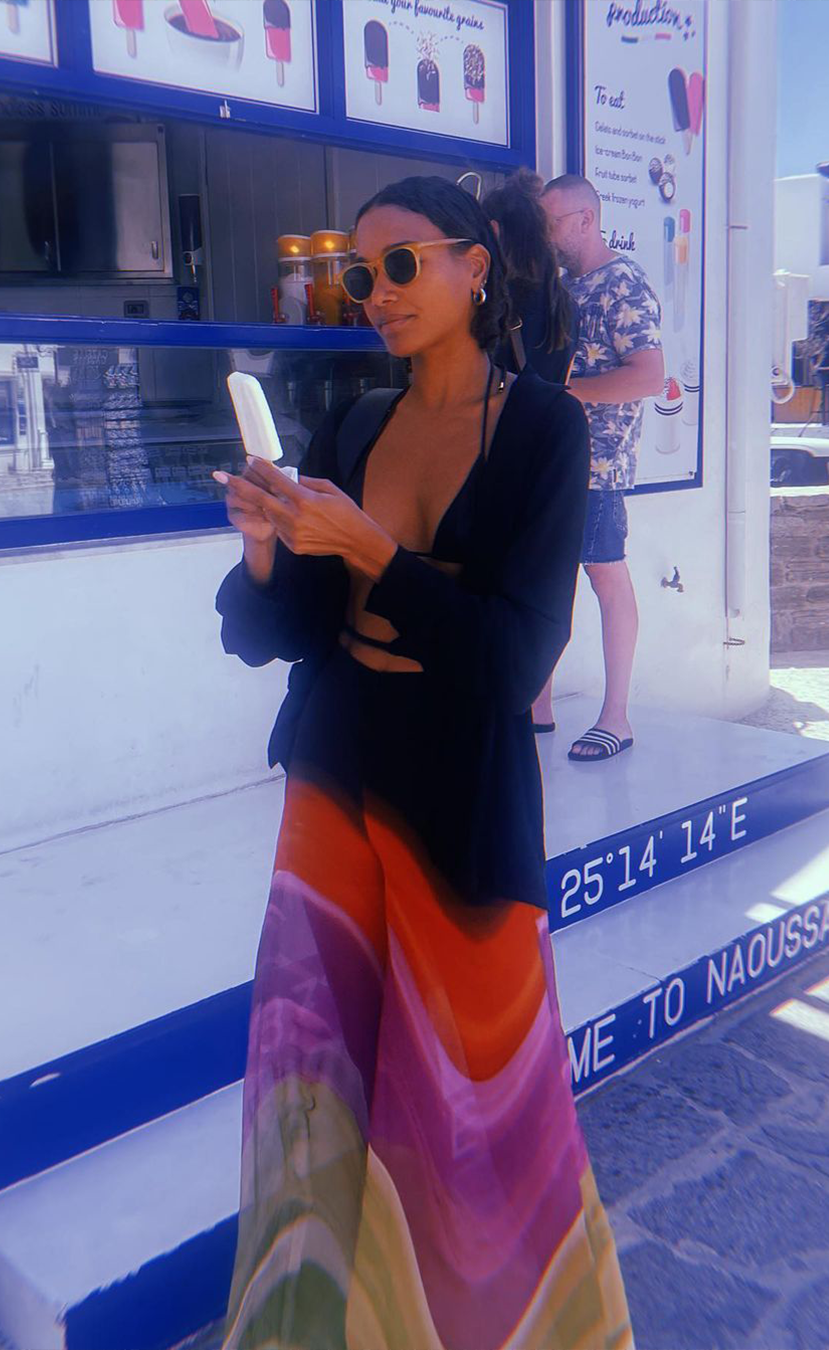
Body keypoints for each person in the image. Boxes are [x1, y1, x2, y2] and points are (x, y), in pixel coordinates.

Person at [212, 175, 631, 1350]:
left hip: (462, 804)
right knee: (319, 1085)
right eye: (361, 273)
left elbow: (514, 661)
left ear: (475, 267)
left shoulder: (547, 427)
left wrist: (375, 551)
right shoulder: (354, 422)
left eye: (402, 265)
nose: (376, 292)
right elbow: (284, 633)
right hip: (335, 784)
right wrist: (265, 550)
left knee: (482, 1105)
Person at [537, 174, 665, 762]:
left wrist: (567, 393)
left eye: (554, 221)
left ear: (587, 219)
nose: (547, 233)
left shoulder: (624, 284)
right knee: (545, 579)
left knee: (606, 578)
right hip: (556, 464)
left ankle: (618, 718)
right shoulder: (565, 286)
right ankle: (537, 705)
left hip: (599, 466)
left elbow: (647, 376)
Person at [481, 167, 579, 388]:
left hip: (497, 420)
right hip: (542, 421)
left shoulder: (489, 301)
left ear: (493, 230)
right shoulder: (564, 303)